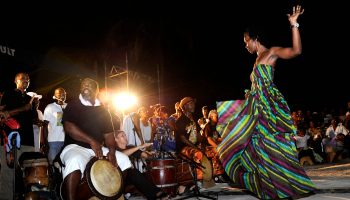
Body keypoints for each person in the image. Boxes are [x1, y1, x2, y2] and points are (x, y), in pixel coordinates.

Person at [216, 5, 316, 199]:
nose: (245, 45)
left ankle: (288, 184)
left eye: (246, 41)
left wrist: (294, 24)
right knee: (256, 147)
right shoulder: (255, 61)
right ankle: (273, 189)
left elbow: (296, 51)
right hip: (256, 107)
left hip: (268, 107)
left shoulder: (271, 52)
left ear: (255, 38)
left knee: (272, 144)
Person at [59, 78, 132, 200]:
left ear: (97, 90)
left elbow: (108, 135)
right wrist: (92, 141)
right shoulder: (73, 105)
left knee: (124, 160)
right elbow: (69, 127)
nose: (85, 86)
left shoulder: (103, 111)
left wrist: (112, 151)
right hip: (75, 147)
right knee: (75, 160)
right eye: (83, 84)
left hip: (98, 147)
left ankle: (110, 195)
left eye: (89, 84)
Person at [0, 72, 39, 199]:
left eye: (28, 79)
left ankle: (25, 197)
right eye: (23, 78)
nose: (26, 80)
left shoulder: (30, 99)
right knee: (7, 172)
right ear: (16, 80)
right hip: (9, 139)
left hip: (27, 139)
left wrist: (35, 108)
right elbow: (3, 113)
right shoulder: (8, 94)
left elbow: (33, 119)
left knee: (28, 172)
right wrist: (24, 108)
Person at [175, 97, 216, 192]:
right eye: (191, 103)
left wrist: (202, 143)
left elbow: (198, 136)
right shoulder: (180, 121)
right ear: (185, 106)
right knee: (198, 154)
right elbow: (183, 138)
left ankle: (208, 180)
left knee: (212, 151)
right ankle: (197, 181)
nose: (194, 105)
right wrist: (196, 148)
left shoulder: (193, 120)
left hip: (193, 146)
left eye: (193, 103)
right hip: (183, 148)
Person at [114, 130, 169, 200]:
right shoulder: (114, 150)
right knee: (132, 172)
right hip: (120, 178)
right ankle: (156, 194)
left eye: (125, 135)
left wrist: (153, 153)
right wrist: (139, 147)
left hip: (132, 176)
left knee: (145, 173)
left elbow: (145, 156)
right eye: (122, 136)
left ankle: (154, 194)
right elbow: (122, 155)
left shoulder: (130, 147)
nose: (125, 137)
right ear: (116, 139)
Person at [43, 87, 67, 164]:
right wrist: (46, 143)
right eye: (59, 93)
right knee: (53, 164)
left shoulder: (68, 106)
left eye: (64, 93)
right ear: (54, 96)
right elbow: (45, 126)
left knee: (64, 163)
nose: (62, 95)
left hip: (66, 141)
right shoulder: (50, 107)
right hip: (53, 141)